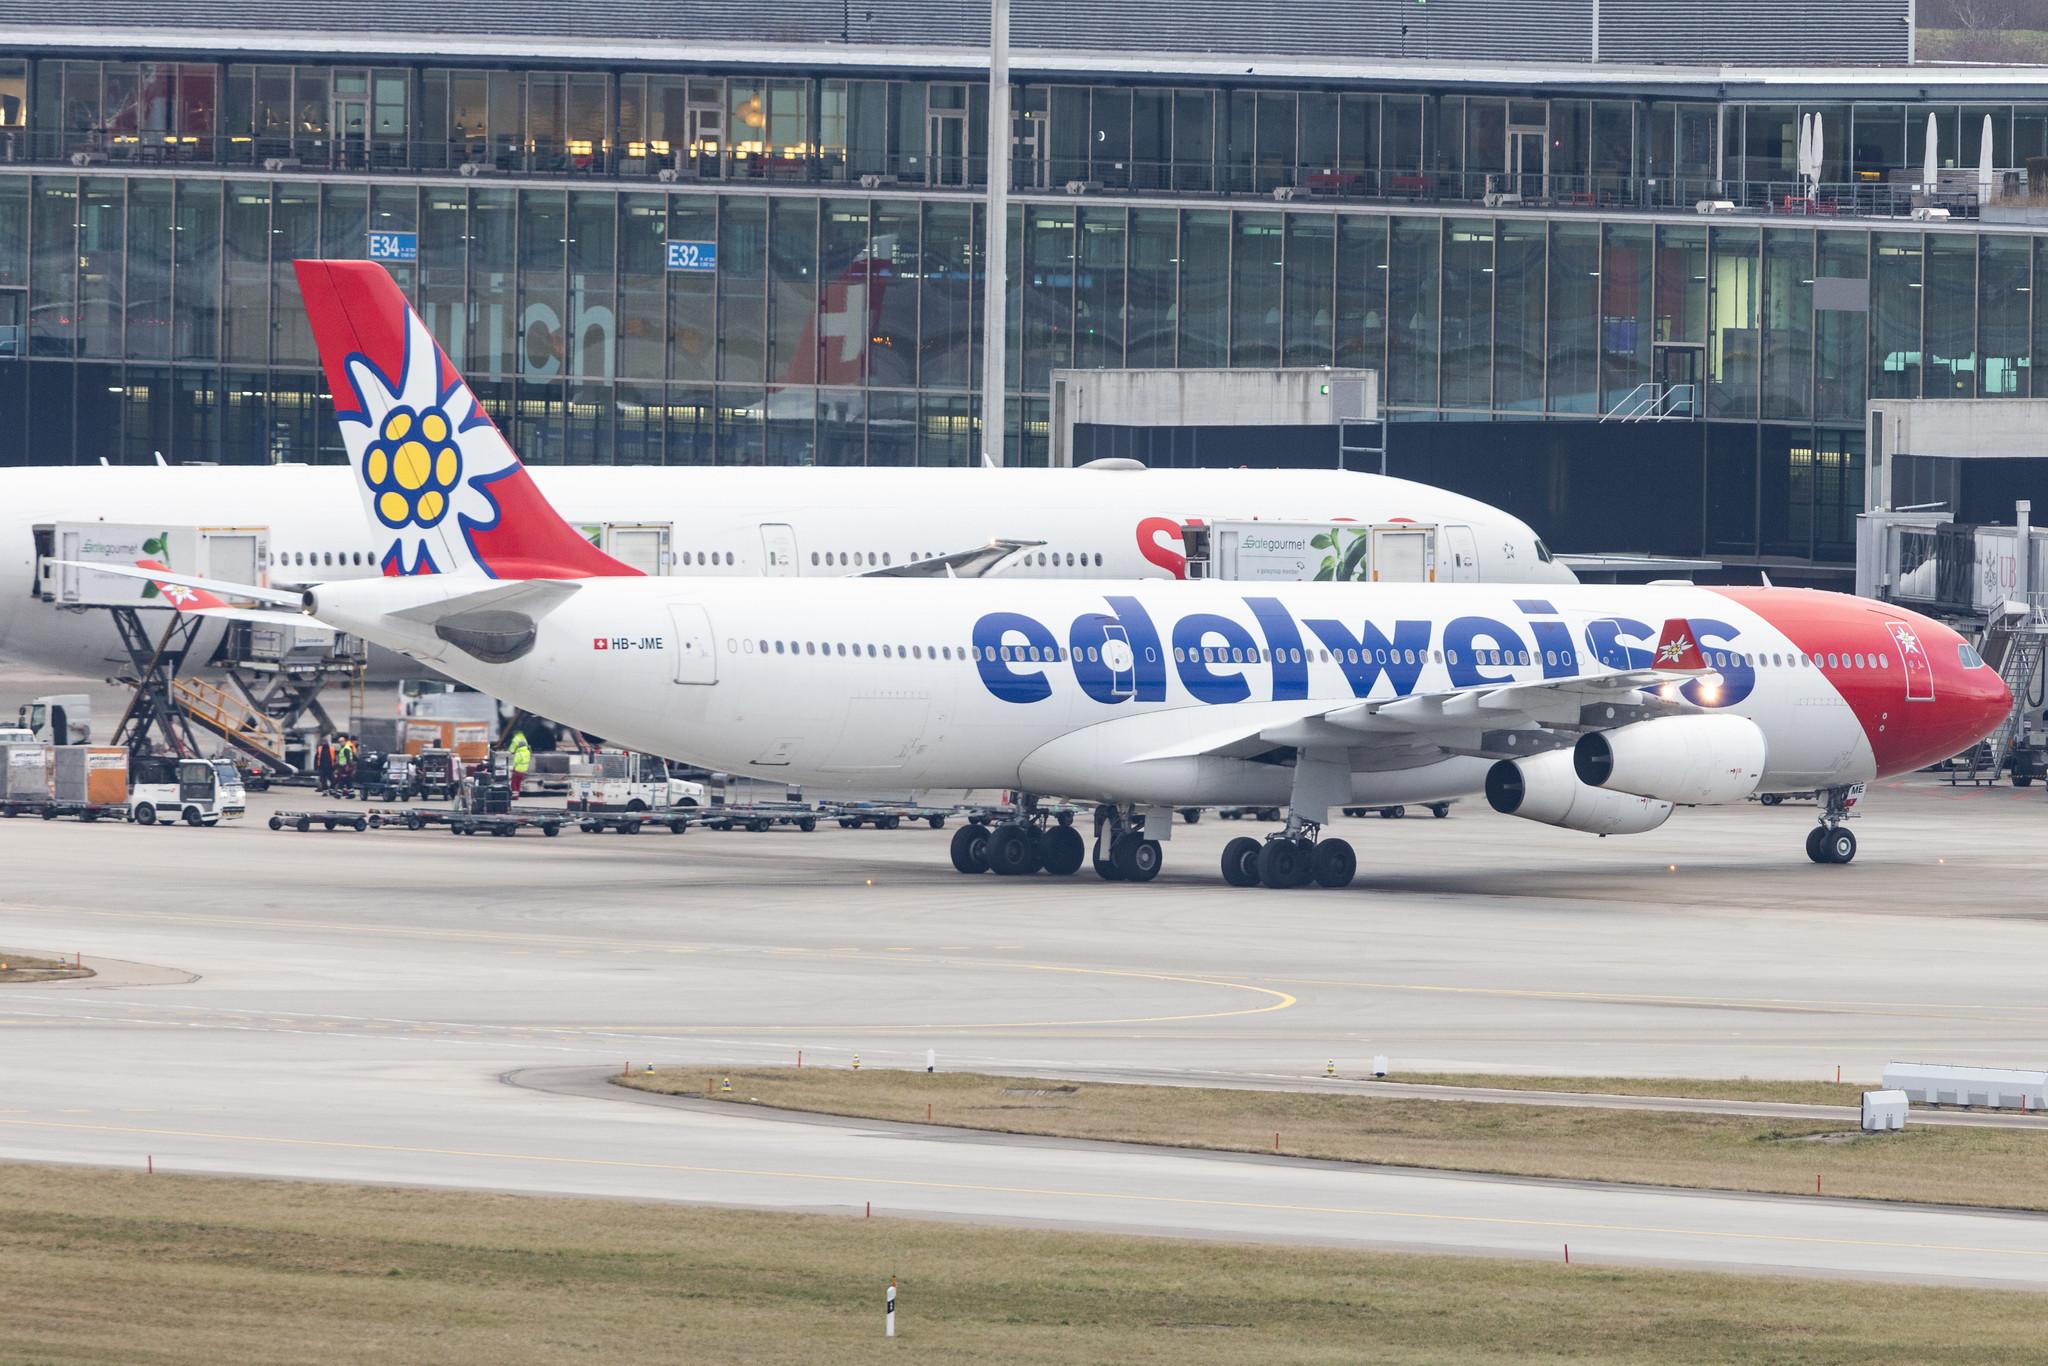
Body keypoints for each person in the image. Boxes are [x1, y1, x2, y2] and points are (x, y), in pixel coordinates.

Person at [507, 729, 532, 799]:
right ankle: (517, 795)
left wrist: (512, 769)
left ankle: (515, 796)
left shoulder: (519, 753)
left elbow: (515, 762)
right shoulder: (527, 753)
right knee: (518, 783)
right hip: (523, 771)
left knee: (513, 783)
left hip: (517, 771)